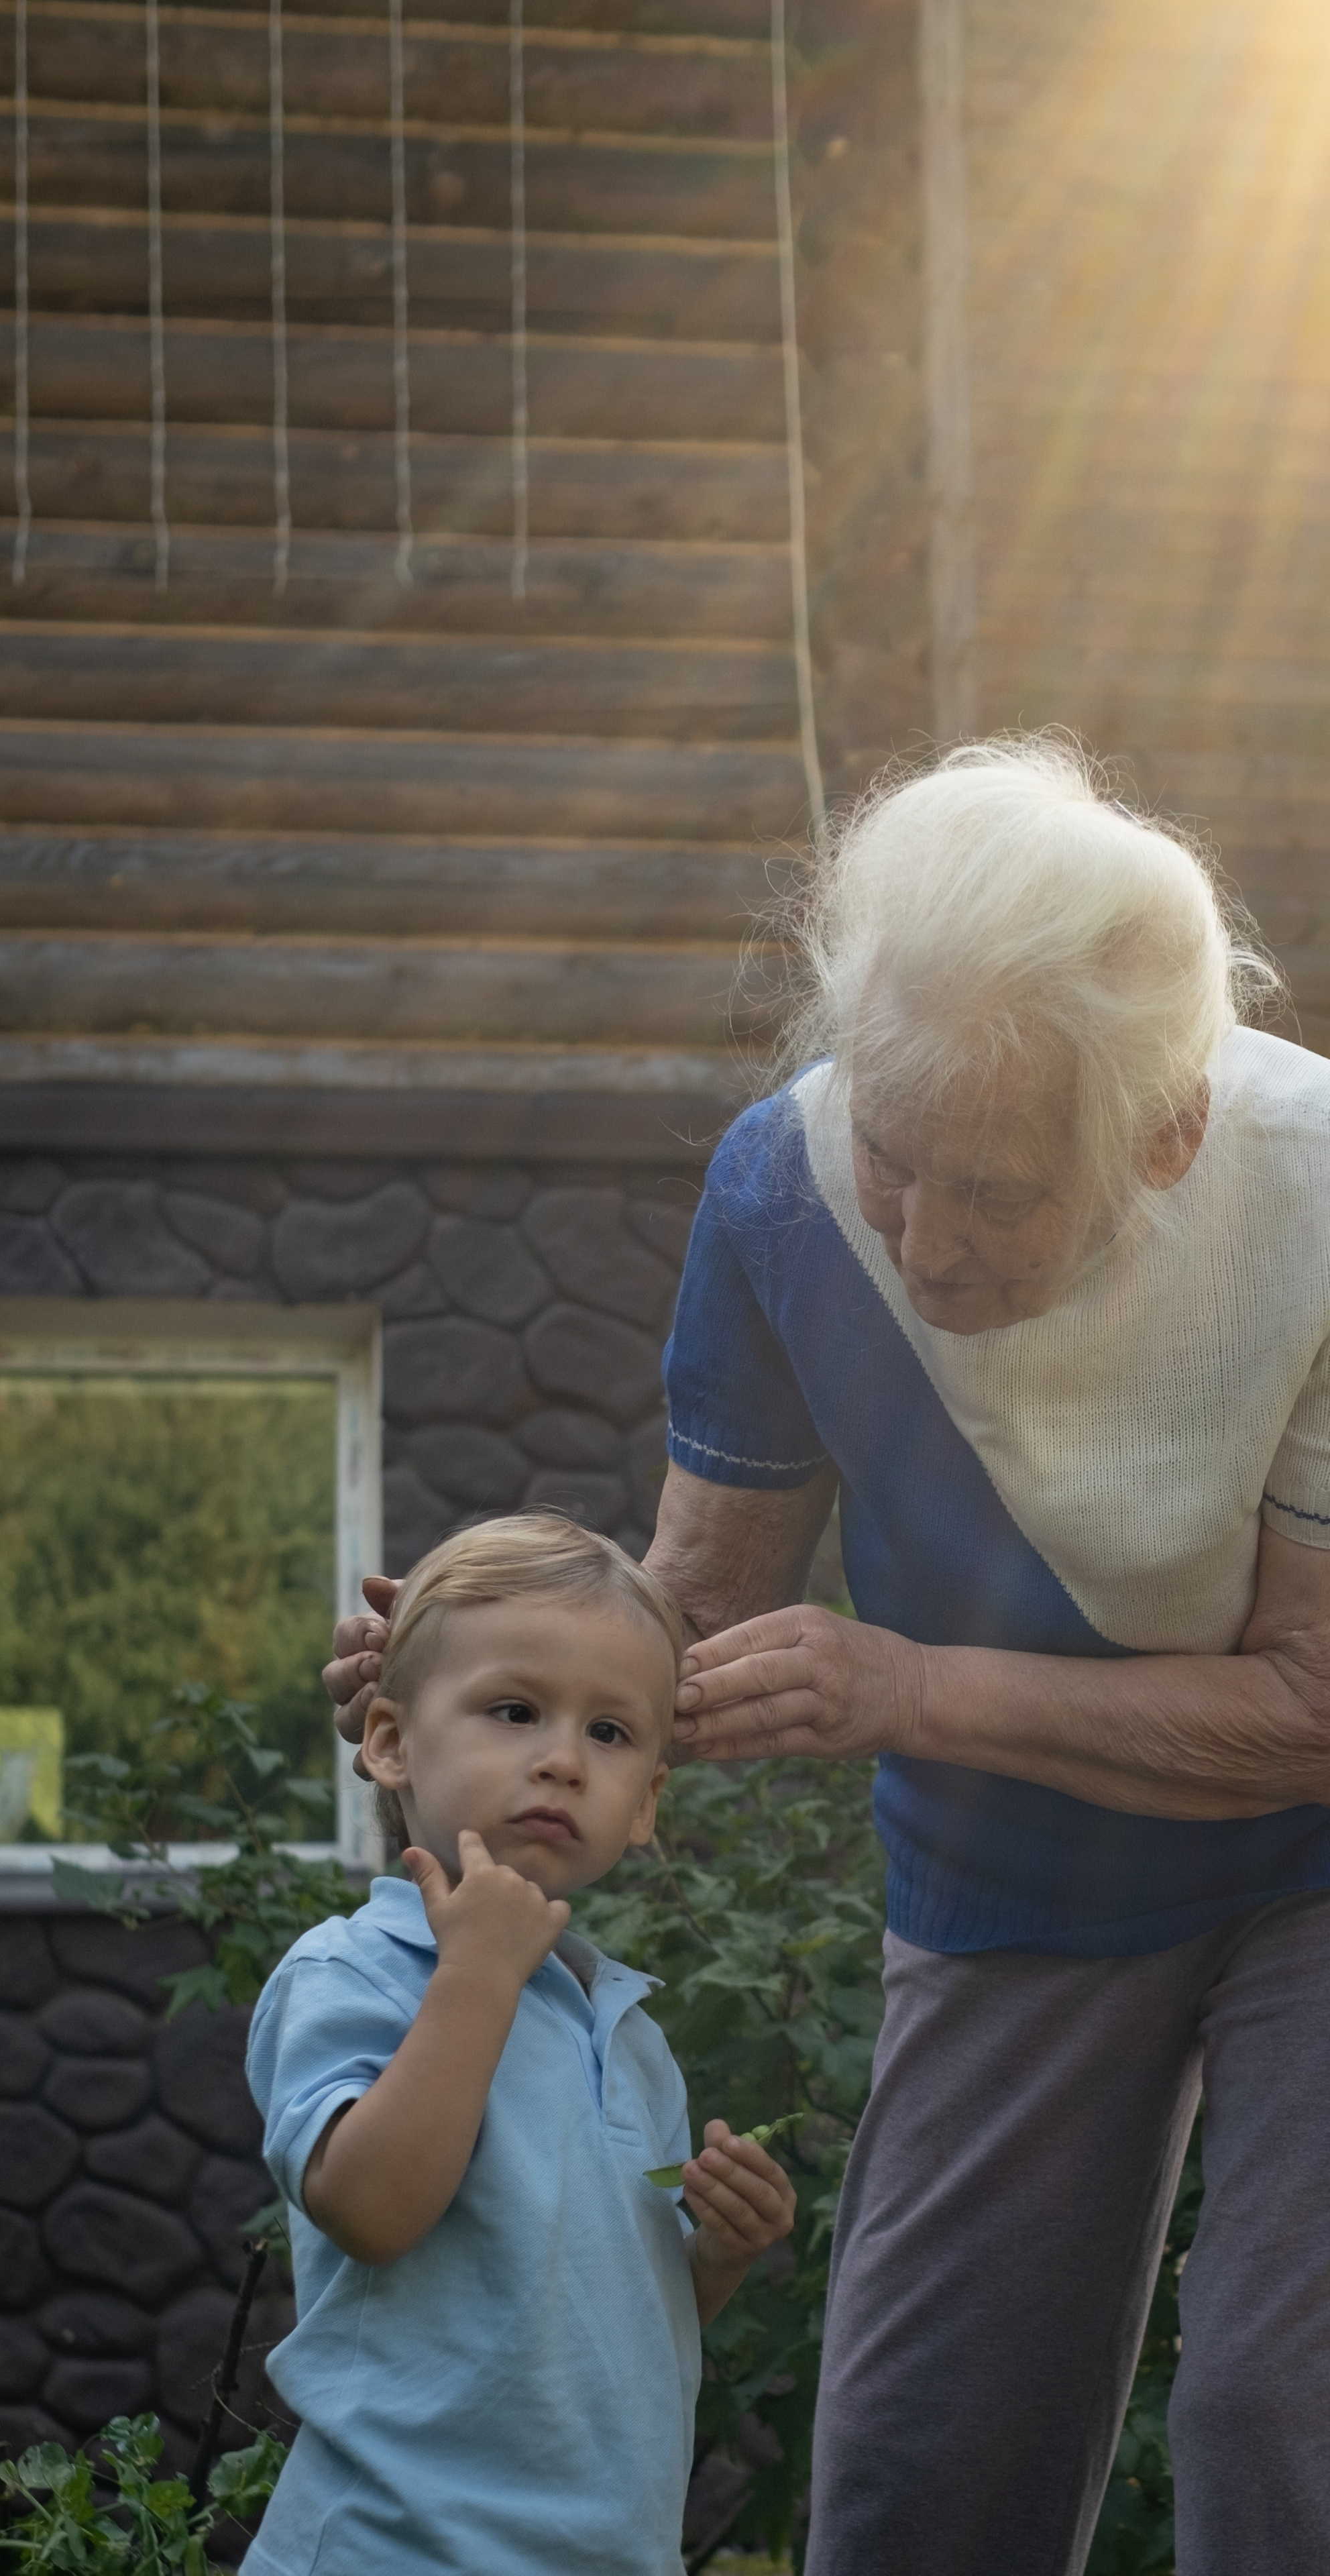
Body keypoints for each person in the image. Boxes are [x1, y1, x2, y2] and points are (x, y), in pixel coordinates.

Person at [327, 739, 1330, 2576]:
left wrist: (907, 1691)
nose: (927, 1241)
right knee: (918, 2472)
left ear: (1167, 1133)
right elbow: (691, 1606)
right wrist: (494, 1669)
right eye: (896, 1153)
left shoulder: (1316, 1200)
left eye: (1004, 1194)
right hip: (1013, 1874)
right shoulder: (783, 1194)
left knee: (1287, 2415)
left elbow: (1315, 1710)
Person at [245, 1514, 795, 2576]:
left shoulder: (625, 2033)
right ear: (394, 1741)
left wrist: (713, 2257)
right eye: (515, 1710)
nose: (562, 1760)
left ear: (647, 1806)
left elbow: (612, 2310)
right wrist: (478, 1978)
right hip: (395, 2550)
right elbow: (369, 2211)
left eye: (611, 1733)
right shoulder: (353, 1973)